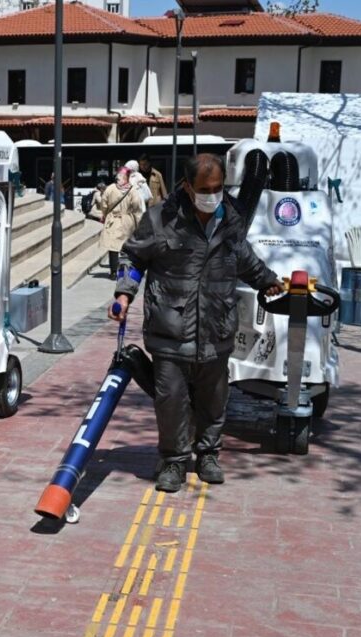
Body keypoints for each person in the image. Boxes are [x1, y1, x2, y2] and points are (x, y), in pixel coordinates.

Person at [110, 153, 282, 490]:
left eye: (218, 187)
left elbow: (242, 256)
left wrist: (268, 280)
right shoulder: (161, 219)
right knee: (171, 401)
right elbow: (133, 255)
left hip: (217, 327)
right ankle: (173, 461)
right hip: (170, 328)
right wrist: (124, 293)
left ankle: (208, 455)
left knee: (213, 399)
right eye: (205, 188)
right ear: (188, 187)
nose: (213, 195)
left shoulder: (230, 217)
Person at [98, 166, 146, 272]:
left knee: (113, 247)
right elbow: (137, 206)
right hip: (127, 221)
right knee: (126, 246)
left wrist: (106, 215)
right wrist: (138, 223)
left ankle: (113, 271)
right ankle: (126, 269)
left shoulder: (110, 188)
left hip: (113, 220)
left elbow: (103, 204)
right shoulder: (132, 190)